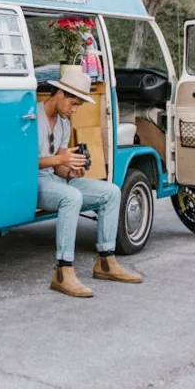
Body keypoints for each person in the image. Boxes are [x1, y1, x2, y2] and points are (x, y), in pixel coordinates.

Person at [38, 70, 142, 297]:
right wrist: (59, 160)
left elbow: (59, 168)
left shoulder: (64, 123)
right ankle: (63, 271)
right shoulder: (33, 117)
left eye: (78, 106)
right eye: (73, 104)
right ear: (60, 94)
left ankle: (106, 262)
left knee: (111, 192)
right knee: (71, 197)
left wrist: (72, 169)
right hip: (31, 182)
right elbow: (21, 163)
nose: (74, 110)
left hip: (53, 179)